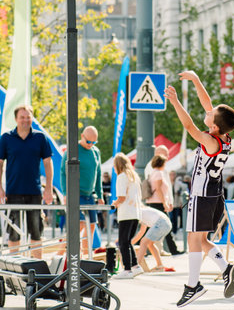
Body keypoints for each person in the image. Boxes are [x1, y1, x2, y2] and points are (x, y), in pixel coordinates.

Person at [164, 70, 234, 307]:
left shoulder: (210, 140)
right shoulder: (224, 138)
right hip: (215, 195)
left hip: (202, 194)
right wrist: (196, 80)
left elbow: (189, 126)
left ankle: (192, 285)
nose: (209, 111)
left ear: (215, 126)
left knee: (193, 240)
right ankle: (226, 269)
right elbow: (207, 103)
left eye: (212, 114)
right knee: (200, 239)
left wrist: (175, 101)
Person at [0, 105, 53, 259]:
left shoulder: (40, 138)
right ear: (16, 119)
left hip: (34, 192)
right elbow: (0, 164)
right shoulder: (6, 138)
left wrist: (48, 188)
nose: (25, 120)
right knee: (13, 233)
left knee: (36, 231)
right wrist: (0, 189)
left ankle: (36, 269)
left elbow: (48, 163)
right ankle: (14, 266)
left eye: (28, 117)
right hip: (13, 191)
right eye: (22, 117)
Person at [60, 125, 104, 256]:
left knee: (91, 225)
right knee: (78, 226)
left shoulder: (96, 152)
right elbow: (63, 172)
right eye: (88, 141)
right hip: (75, 193)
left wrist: (100, 195)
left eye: (94, 142)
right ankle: (60, 253)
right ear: (82, 137)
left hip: (89, 195)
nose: (91, 144)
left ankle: (85, 255)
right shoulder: (73, 150)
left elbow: (98, 173)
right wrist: (66, 193)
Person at [112, 152, 142, 279]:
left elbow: (122, 197)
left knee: (123, 242)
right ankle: (135, 265)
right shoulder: (134, 176)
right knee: (128, 241)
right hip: (135, 212)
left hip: (126, 213)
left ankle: (127, 269)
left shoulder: (121, 177)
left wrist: (115, 203)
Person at [146, 155, 183, 255]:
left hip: (154, 202)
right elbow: (158, 189)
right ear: (162, 163)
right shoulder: (159, 174)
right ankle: (173, 249)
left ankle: (141, 246)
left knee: (151, 226)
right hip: (158, 203)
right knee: (167, 225)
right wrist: (165, 203)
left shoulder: (153, 173)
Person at [131, 205, 172, 272]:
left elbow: (141, 233)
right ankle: (160, 265)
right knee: (149, 244)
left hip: (161, 223)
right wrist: (130, 244)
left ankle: (136, 266)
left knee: (144, 242)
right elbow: (141, 231)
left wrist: (129, 244)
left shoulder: (139, 212)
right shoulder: (144, 211)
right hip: (167, 224)